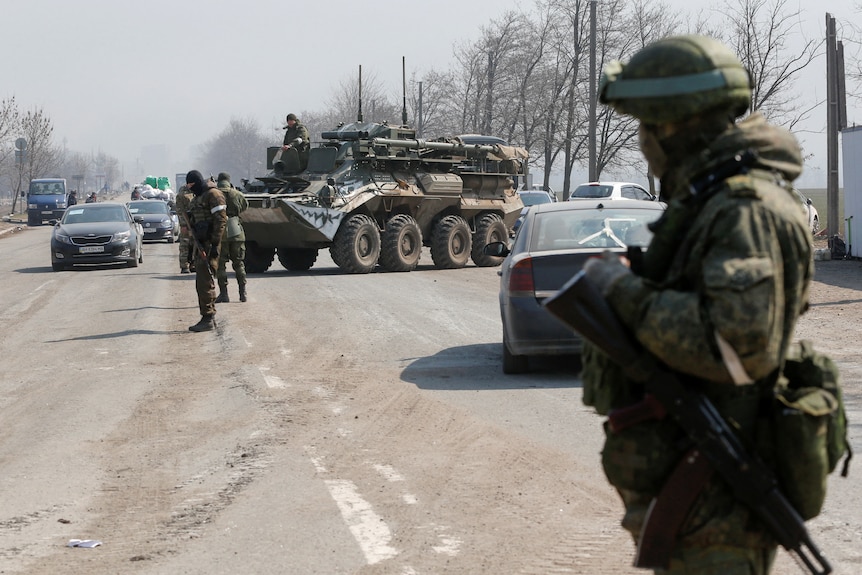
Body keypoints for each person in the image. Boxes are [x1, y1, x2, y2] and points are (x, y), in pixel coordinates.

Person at [578, 35, 813, 574]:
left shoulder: (743, 210)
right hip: (700, 496)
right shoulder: (711, 201)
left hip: (718, 502)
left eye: (645, 126)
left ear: (674, 125)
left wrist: (620, 288)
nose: (641, 142)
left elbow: (734, 345)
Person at [184, 170, 227, 332]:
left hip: (210, 243)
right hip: (200, 243)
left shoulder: (213, 194)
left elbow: (221, 220)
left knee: (205, 280)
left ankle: (208, 317)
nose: (190, 188)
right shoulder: (198, 197)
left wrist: (215, 244)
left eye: (191, 184)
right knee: (201, 281)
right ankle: (206, 315)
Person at [214, 172, 249, 303]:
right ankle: (242, 293)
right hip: (236, 230)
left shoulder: (214, 194)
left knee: (221, 265)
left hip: (220, 231)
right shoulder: (237, 194)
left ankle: (224, 294)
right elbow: (245, 206)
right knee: (239, 263)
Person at [175, 184, 196, 273]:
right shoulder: (183, 194)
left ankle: (193, 264)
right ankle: (185, 265)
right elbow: (180, 211)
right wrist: (183, 225)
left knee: (195, 245)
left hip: (196, 223)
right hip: (187, 223)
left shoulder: (198, 192)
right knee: (185, 244)